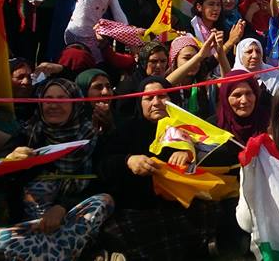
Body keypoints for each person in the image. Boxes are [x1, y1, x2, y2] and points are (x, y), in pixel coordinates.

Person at [0, 79, 113, 260]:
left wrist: (62, 207)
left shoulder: (91, 136)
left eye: (62, 99)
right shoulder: (28, 133)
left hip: (71, 220)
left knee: (103, 201)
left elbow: (100, 182)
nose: (53, 105)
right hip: (32, 226)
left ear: (75, 103)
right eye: (48, 99)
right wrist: (10, 161)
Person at [94, 76, 223, 260]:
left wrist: (189, 152)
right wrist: (128, 160)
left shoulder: (185, 127)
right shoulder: (125, 130)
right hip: (138, 206)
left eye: (162, 96)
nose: (156, 103)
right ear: (139, 103)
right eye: (149, 98)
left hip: (180, 203)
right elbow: (103, 165)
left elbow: (210, 150)